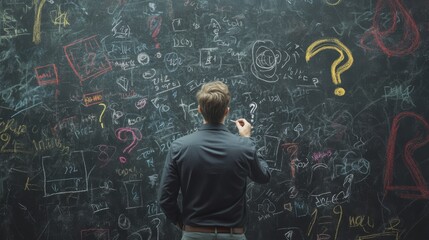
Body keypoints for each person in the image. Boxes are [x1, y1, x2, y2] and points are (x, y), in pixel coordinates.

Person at [158, 81, 271, 240]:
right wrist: (247, 140)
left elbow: (165, 199)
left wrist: (183, 225)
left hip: (193, 234)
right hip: (233, 235)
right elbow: (263, 176)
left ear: (199, 110)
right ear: (227, 111)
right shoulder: (243, 147)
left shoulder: (179, 147)